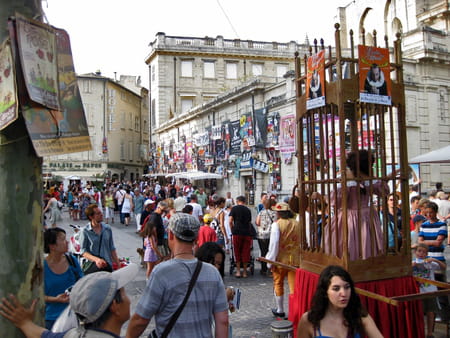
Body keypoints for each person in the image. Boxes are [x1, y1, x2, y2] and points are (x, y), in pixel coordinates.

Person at [126, 213, 229, 338]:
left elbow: (140, 320)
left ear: (170, 235)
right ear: (196, 238)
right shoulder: (213, 272)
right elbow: (222, 321)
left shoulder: (161, 272)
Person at [0, 264, 138, 338]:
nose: (130, 301)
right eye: (125, 295)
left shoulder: (71, 335)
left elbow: (39, 334)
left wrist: (24, 323)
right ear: (114, 306)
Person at [324, 149, 388, 260]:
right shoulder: (360, 180)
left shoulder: (361, 180)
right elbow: (384, 191)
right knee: (362, 242)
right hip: (362, 216)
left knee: (352, 242)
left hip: (350, 216)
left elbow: (335, 202)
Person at [297, 265, 383, 338]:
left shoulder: (360, 316)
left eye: (347, 287)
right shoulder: (309, 320)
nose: (344, 293)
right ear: (325, 292)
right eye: (336, 289)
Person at [265, 202, 301, 318]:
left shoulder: (277, 225)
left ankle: (280, 309)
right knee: (293, 287)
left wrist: (270, 260)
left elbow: (274, 244)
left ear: (279, 213)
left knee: (278, 283)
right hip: (295, 260)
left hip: (280, 260)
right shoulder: (298, 224)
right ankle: (294, 311)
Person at [43, 228, 83, 330]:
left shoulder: (71, 261)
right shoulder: (42, 267)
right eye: (63, 239)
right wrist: (55, 299)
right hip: (51, 319)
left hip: (73, 316)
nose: (67, 242)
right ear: (52, 246)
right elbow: (38, 296)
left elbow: (82, 283)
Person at [412, 243, 446, 338]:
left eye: (423, 252)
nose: (421, 253)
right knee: (418, 312)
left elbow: (443, 267)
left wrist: (434, 260)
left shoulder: (430, 263)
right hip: (418, 291)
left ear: (427, 254)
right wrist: (412, 266)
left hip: (430, 290)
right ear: (415, 252)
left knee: (431, 312)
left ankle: (430, 333)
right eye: (419, 251)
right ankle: (419, 331)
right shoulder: (412, 262)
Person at [80, 204, 120, 273]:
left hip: (107, 265)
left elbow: (112, 248)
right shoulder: (85, 231)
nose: (101, 214)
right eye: (98, 213)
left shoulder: (107, 229)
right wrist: (96, 260)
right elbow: (83, 252)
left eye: (101, 212)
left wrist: (118, 264)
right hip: (93, 266)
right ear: (91, 216)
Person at [229, 195, 253, 278]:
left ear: (237, 201)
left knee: (237, 251)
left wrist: (232, 229)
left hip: (237, 232)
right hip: (246, 232)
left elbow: (230, 221)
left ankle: (238, 271)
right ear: (244, 201)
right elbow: (249, 223)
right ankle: (245, 272)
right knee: (246, 251)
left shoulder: (234, 209)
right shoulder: (248, 210)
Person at [255, 198, 276, 276]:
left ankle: (263, 269)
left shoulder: (261, 212)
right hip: (271, 235)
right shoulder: (275, 213)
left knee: (263, 252)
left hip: (261, 235)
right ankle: (270, 269)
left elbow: (257, 222)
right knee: (271, 251)